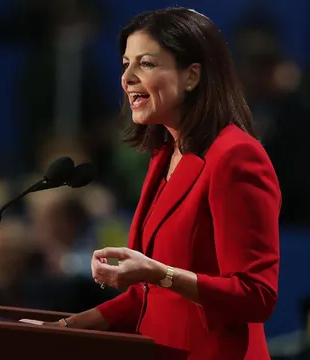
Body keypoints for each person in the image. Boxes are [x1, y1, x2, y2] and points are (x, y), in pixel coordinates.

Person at [34, 7, 281, 359]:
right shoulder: (164, 155)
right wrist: (63, 330)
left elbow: (256, 295)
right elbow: (145, 296)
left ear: (192, 75)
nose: (128, 78)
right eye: (125, 65)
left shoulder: (236, 156)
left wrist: (161, 273)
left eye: (146, 64)